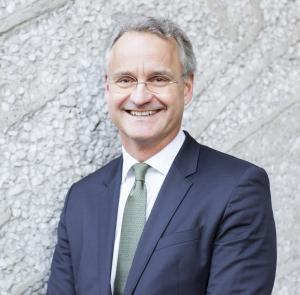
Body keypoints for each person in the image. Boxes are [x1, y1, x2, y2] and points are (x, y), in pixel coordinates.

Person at [47, 15, 277, 295]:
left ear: (187, 87)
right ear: (107, 88)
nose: (140, 96)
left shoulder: (237, 189)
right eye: (126, 79)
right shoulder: (82, 198)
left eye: (158, 78)